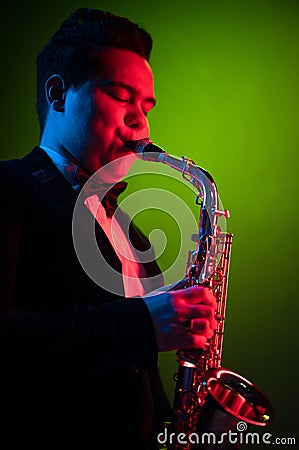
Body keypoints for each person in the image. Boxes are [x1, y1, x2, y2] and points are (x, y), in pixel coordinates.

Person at [0, 8, 217, 449]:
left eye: (147, 106)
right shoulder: (7, 188)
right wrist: (140, 325)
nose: (142, 124)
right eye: (121, 96)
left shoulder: (133, 235)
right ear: (58, 94)